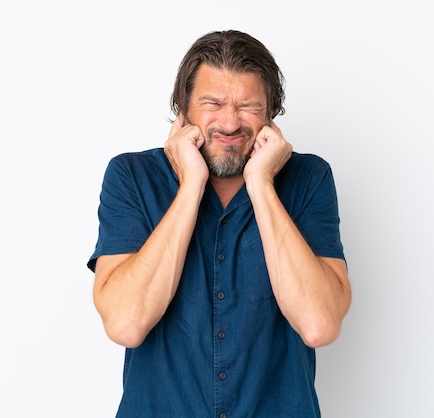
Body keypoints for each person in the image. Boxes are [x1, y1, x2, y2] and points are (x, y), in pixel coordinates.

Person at [87, 29, 352, 417]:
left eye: (248, 106)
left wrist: (261, 183)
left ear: (271, 114)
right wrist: (190, 184)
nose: (230, 123)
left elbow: (319, 325)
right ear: (184, 110)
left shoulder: (310, 179)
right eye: (212, 103)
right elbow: (127, 324)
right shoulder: (131, 176)